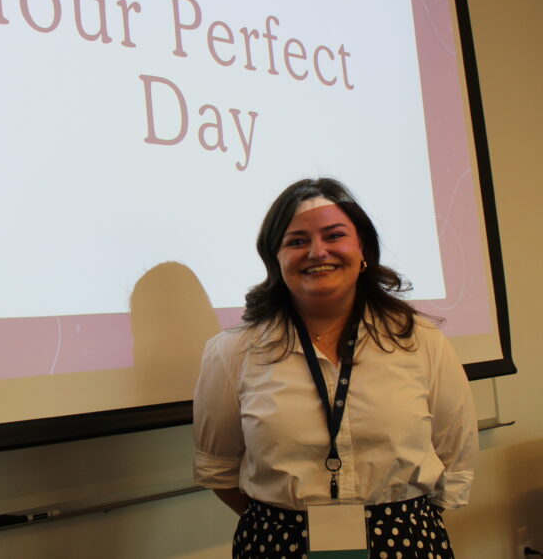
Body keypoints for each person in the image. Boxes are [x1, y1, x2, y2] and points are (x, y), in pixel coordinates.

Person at [193, 178, 477, 559]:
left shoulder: (421, 341)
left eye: (334, 235)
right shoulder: (232, 352)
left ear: (363, 250)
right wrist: (289, 524)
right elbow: (220, 471)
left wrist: (399, 522)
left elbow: (455, 458)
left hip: (405, 540)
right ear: (276, 258)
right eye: (296, 241)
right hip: (278, 544)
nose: (317, 251)